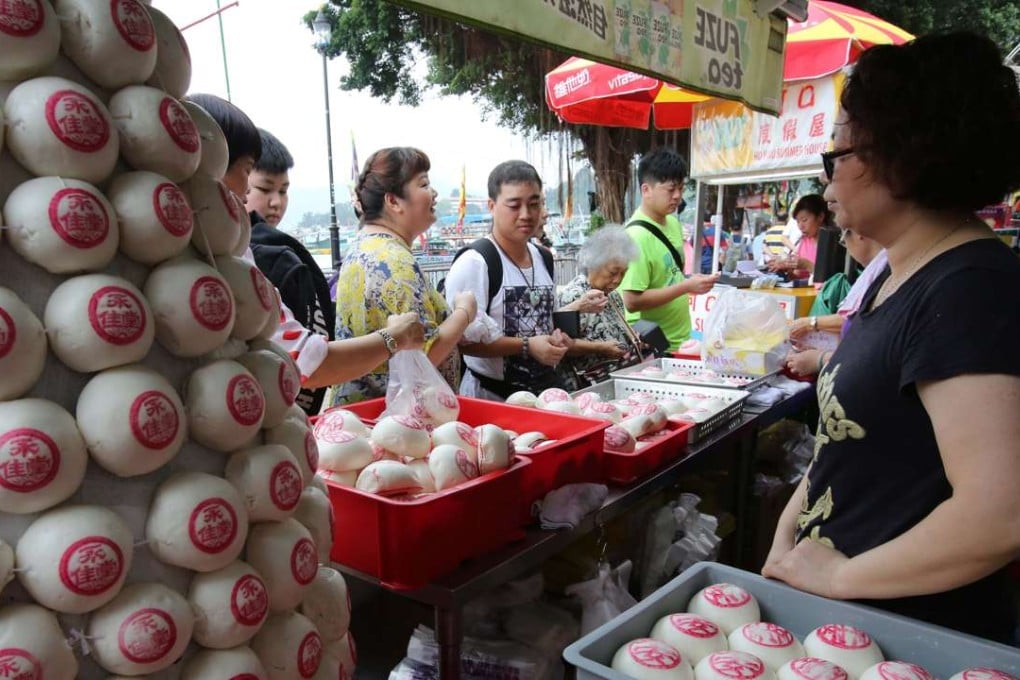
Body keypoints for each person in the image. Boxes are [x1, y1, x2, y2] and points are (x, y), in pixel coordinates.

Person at [761, 31, 1020, 643]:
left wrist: (842, 578)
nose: (825, 178)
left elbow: (1000, 511)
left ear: (900, 156)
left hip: (905, 635)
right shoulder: (898, 276)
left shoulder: (969, 289)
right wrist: (785, 546)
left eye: (837, 153)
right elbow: (846, 445)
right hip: (843, 621)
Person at [186, 94, 425, 396]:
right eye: (248, 171)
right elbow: (308, 361)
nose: (247, 190)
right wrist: (398, 336)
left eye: (283, 190)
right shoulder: (231, 259)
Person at [329, 147, 477, 406]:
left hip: (364, 415)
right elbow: (423, 357)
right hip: (399, 422)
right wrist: (464, 313)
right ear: (393, 201)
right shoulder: (395, 262)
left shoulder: (363, 247)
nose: (434, 192)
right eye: (424, 184)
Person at [443, 160, 573, 400]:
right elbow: (459, 342)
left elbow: (545, 320)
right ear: (492, 206)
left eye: (534, 204)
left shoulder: (544, 257)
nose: (526, 215)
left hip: (543, 396)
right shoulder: (476, 262)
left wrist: (556, 338)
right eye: (514, 205)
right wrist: (526, 346)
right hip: (491, 398)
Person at [245, 128, 336, 415]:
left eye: (283, 191)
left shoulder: (273, 251)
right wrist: (391, 339)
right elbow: (311, 360)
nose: (276, 202)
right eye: (264, 189)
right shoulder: (265, 257)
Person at [619, 148, 718, 351]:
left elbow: (670, 276)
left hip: (682, 339)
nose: (678, 196)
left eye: (681, 189)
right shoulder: (636, 237)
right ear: (646, 190)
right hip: (655, 346)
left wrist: (690, 280)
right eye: (670, 189)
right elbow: (631, 301)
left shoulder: (672, 223)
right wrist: (686, 286)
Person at [783, 228, 886, 378]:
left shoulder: (885, 275)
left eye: (844, 240)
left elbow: (865, 339)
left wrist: (820, 359)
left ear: (859, 235)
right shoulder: (876, 271)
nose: (846, 247)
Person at [556, 225, 647, 390]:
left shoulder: (612, 295)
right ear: (592, 264)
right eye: (613, 273)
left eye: (623, 273)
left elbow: (614, 328)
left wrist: (632, 336)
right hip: (587, 386)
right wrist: (601, 348)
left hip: (613, 379)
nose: (618, 280)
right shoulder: (574, 296)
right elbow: (564, 346)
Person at [767, 194, 825, 274]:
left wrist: (807, 265)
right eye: (798, 222)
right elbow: (797, 275)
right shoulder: (805, 242)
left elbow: (832, 278)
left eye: (804, 220)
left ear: (820, 217)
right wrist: (786, 267)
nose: (800, 226)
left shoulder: (831, 244)